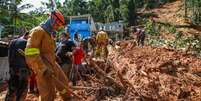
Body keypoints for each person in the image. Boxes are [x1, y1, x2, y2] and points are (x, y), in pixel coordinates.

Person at [25, 10, 72, 101]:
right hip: (42, 67)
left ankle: (67, 98)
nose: (57, 28)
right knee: (48, 92)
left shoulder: (49, 34)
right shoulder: (38, 31)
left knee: (63, 84)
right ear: (53, 19)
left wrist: (55, 56)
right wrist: (43, 69)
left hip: (53, 64)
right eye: (57, 25)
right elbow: (31, 54)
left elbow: (46, 51)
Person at [5, 32, 30, 101]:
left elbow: (9, 55)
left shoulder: (12, 42)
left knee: (11, 89)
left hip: (12, 68)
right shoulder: (27, 43)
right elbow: (29, 58)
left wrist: (10, 67)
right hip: (23, 70)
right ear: (26, 35)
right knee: (22, 90)